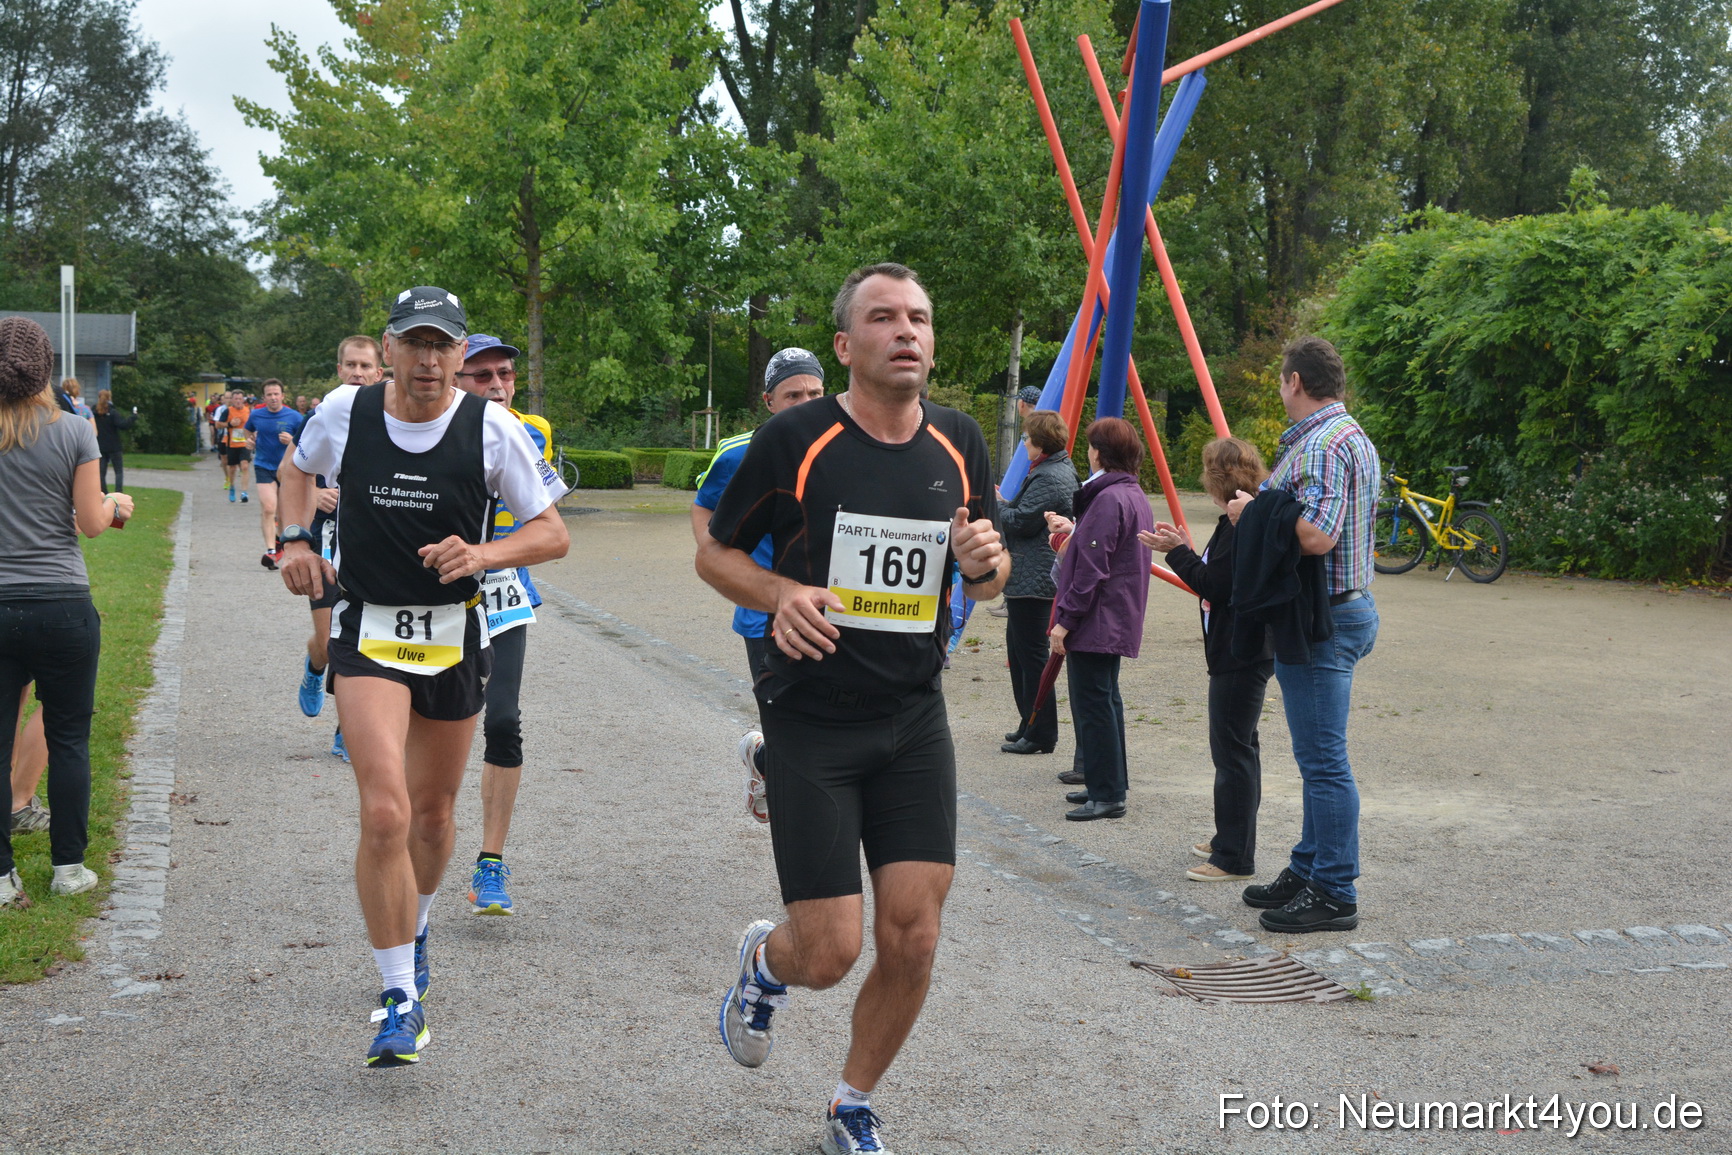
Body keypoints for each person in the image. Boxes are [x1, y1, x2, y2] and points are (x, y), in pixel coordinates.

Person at [696, 263, 1007, 1155]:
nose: (906, 330)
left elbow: (981, 581)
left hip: (913, 717)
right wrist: (781, 590)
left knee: (913, 935)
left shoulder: (960, 441)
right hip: (810, 717)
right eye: (883, 317)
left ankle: (850, 1102)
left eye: (919, 316)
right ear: (845, 344)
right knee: (830, 950)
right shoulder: (796, 437)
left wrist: (984, 565)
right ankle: (765, 961)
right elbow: (716, 555)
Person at [277, 287, 568, 1066]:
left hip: (452, 637)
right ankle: (399, 996)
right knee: (384, 813)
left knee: (434, 818)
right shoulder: (346, 411)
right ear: (390, 346)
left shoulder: (491, 428)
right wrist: (296, 539)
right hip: (367, 627)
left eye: (445, 345)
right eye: (416, 342)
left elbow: (551, 531)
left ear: (461, 352)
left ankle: (420, 921)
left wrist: (482, 555)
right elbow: (294, 468)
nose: (431, 360)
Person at [1227, 335, 1380, 933]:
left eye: (1280, 380)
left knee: (1322, 762)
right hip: (1343, 607)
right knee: (1319, 756)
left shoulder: (1319, 446)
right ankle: (1309, 866)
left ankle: (1335, 890)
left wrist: (1253, 513)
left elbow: (1317, 534)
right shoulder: (1350, 436)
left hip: (1323, 620)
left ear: (1294, 380)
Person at [0, 317, 134, 907]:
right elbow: (91, 524)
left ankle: (2, 878)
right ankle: (68, 868)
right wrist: (114, 501)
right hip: (61, 604)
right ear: (47, 367)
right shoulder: (76, 431)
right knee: (70, 736)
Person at [690, 347, 827, 823]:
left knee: (826, 729)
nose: (805, 403)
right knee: (790, 728)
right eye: (793, 395)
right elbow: (704, 506)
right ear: (769, 401)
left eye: (814, 392)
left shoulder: (847, 447)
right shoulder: (738, 451)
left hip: (828, 609)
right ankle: (786, 792)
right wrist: (720, 558)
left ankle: (765, 760)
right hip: (762, 612)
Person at [452, 332, 554, 916]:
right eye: (482, 375)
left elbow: (547, 524)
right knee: (436, 721)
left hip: (502, 586)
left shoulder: (530, 431)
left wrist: (493, 554)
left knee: (504, 718)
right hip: (434, 591)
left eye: (505, 375)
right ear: (456, 378)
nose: (497, 386)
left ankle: (490, 862)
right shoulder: (424, 427)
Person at [1140, 437, 1274, 881]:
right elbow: (1216, 574)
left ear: (1216, 479)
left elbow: (1214, 585)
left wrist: (1175, 552)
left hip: (1240, 651)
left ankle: (1235, 856)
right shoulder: (1239, 518)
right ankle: (1230, 837)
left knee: (1232, 752)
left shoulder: (1241, 524)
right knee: (1240, 748)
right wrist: (1182, 547)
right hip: (1240, 648)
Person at [1043, 417, 1153, 821]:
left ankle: (1107, 793)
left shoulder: (1108, 498)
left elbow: (1091, 565)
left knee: (1095, 703)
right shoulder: (1131, 492)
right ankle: (1108, 783)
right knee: (1106, 700)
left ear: (1100, 452)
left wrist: (1066, 619)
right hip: (1114, 613)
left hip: (1099, 618)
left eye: (1091, 446)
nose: (1087, 452)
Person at [297, 338, 384, 761]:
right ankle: (315, 668)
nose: (357, 372)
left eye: (365, 366)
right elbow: (294, 471)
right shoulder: (328, 413)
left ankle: (346, 729)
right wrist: (315, 494)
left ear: (379, 373)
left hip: (371, 547)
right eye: (350, 364)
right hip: (328, 538)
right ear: (338, 369)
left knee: (362, 640)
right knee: (327, 641)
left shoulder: (394, 418)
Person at [998, 409, 1079, 756]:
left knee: (1030, 657)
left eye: (1027, 438)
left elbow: (1021, 521)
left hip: (1035, 578)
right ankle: (1028, 722)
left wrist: (997, 503)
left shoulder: (1051, 476)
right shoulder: (1050, 470)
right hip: (1028, 576)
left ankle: (1042, 732)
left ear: (1040, 443)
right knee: (1019, 653)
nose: (1024, 443)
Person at [243, 380, 305, 570]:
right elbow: (248, 431)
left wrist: (292, 440)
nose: (273, 398)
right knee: (269, 507)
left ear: (282, 396)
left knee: (282, 513)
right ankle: (270, 550)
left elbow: (306, 442)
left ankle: (279, 543)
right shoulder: (256, 415)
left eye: (276, 394)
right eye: (269, 395)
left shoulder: (294, 417)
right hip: (263, 466)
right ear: (264, 398)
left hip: (286, 468)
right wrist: (250, 441)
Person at [91, 390, 137, 494]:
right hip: (114, 446)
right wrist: (133, 417)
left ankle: (104, 492)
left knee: (101, 472)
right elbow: (123, 425)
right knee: (118, 471)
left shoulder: (94, 412)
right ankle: (118, 492)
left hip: (100, 446)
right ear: (109, 398)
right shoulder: (113, 412)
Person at [222, 390, 252, 502]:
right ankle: (232, 487)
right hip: (232, 444)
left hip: (245, 443)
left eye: (240, 399)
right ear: (232, 400)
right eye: (236, 399)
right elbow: (218, 424)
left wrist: (253, 434)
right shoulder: (228, 411)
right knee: (233, 468)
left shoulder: (248, 411)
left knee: (244, 466)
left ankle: (244, 492)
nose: (238, 401)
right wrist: (229, 424)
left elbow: (252, 425)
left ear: (243, 400)